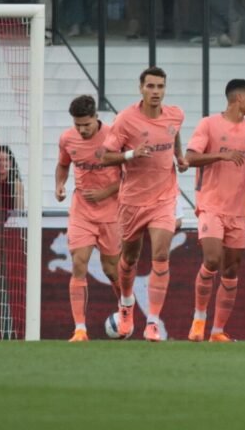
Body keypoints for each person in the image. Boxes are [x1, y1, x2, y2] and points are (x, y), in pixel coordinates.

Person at [100, 67, 187, 342]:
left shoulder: (175, 114)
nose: (156, 92)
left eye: (160, 86)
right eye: (150, 86)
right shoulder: (126, 119)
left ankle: (152, 322)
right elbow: (104, 156)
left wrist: (180, 157)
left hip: (164, 198)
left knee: (161, 255)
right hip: (133, 200)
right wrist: (131, 154)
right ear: (141, 88)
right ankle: (126, 305)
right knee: (129, 259)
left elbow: (174, 133)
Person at [184, 79, 245, 343]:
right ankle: (199, 320)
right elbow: (190, 158)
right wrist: (221, 155)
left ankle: (217, 331)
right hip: (211, 205)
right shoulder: (209, 124)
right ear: (238, 98)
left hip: (239, 210)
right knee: (211, 260)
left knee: (231, 270)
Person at [54, 95, 121, 342]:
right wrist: (59, 185)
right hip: (81, 211)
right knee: (79, 263)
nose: (82, 130)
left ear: (96, 118)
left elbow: (130, 175)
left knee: (111, 269)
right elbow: (63, 165)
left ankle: (126, 309)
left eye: (86, 125)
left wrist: (105, 192)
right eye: (77, 125)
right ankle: (80, 329)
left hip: (111, 212)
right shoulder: (67, 138)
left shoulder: (114, 137)